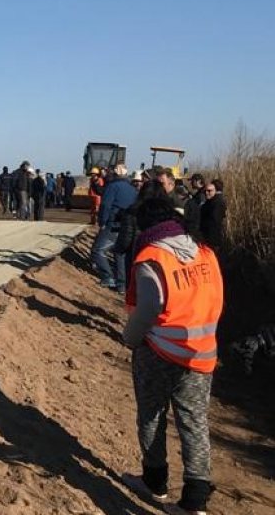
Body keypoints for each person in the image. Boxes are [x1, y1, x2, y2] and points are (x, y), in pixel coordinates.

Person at [122, 196, 223, 515]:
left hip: (159, 351)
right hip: (202, 353)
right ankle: (195, 501)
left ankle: (155, 481)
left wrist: (130, 337)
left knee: (151, 416)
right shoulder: (205, 252)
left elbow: (149, 307)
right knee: (194, 423)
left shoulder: (152, 255)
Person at [115, 180, 169, 290]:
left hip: (137, 256)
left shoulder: (132, 212)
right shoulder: (168, 213)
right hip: (164, 257)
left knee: (137, 292)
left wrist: (119, 249)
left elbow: (126, 238)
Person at [92, 164, 136, 293]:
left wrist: (102, 222)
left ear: (115, 174)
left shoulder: (113, 186)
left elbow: (105, 205)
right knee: (120, 253)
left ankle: (108, 277)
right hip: (127, 225)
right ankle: (122, 285)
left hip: (113, 224)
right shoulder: (132, 189)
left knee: (97, 250)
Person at [199, 179, 226, 252]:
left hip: (212, 238)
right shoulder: (213, 200)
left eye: (209, 191)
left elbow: (215, 221)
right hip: (209, 237)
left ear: (215, 190)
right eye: (205, 191)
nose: (206, 193)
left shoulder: (217, 202)